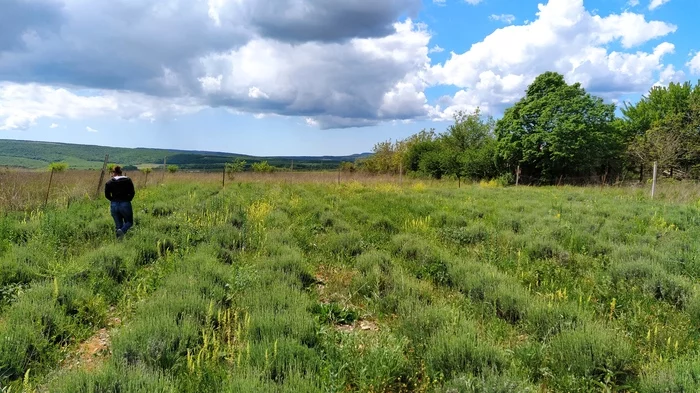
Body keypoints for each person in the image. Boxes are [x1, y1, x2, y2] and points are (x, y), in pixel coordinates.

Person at [105, 166, 135, 239]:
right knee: (129, 222)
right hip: (125, 203)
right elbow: (132, 192)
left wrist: (113, 200)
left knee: (118, 225)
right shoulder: (128, 180)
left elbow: (107, 195)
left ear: (114, 173)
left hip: (114, 204)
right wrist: (128, 199)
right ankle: (122, 230)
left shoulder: (109, 182)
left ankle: (119, 241)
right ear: (120, 172)